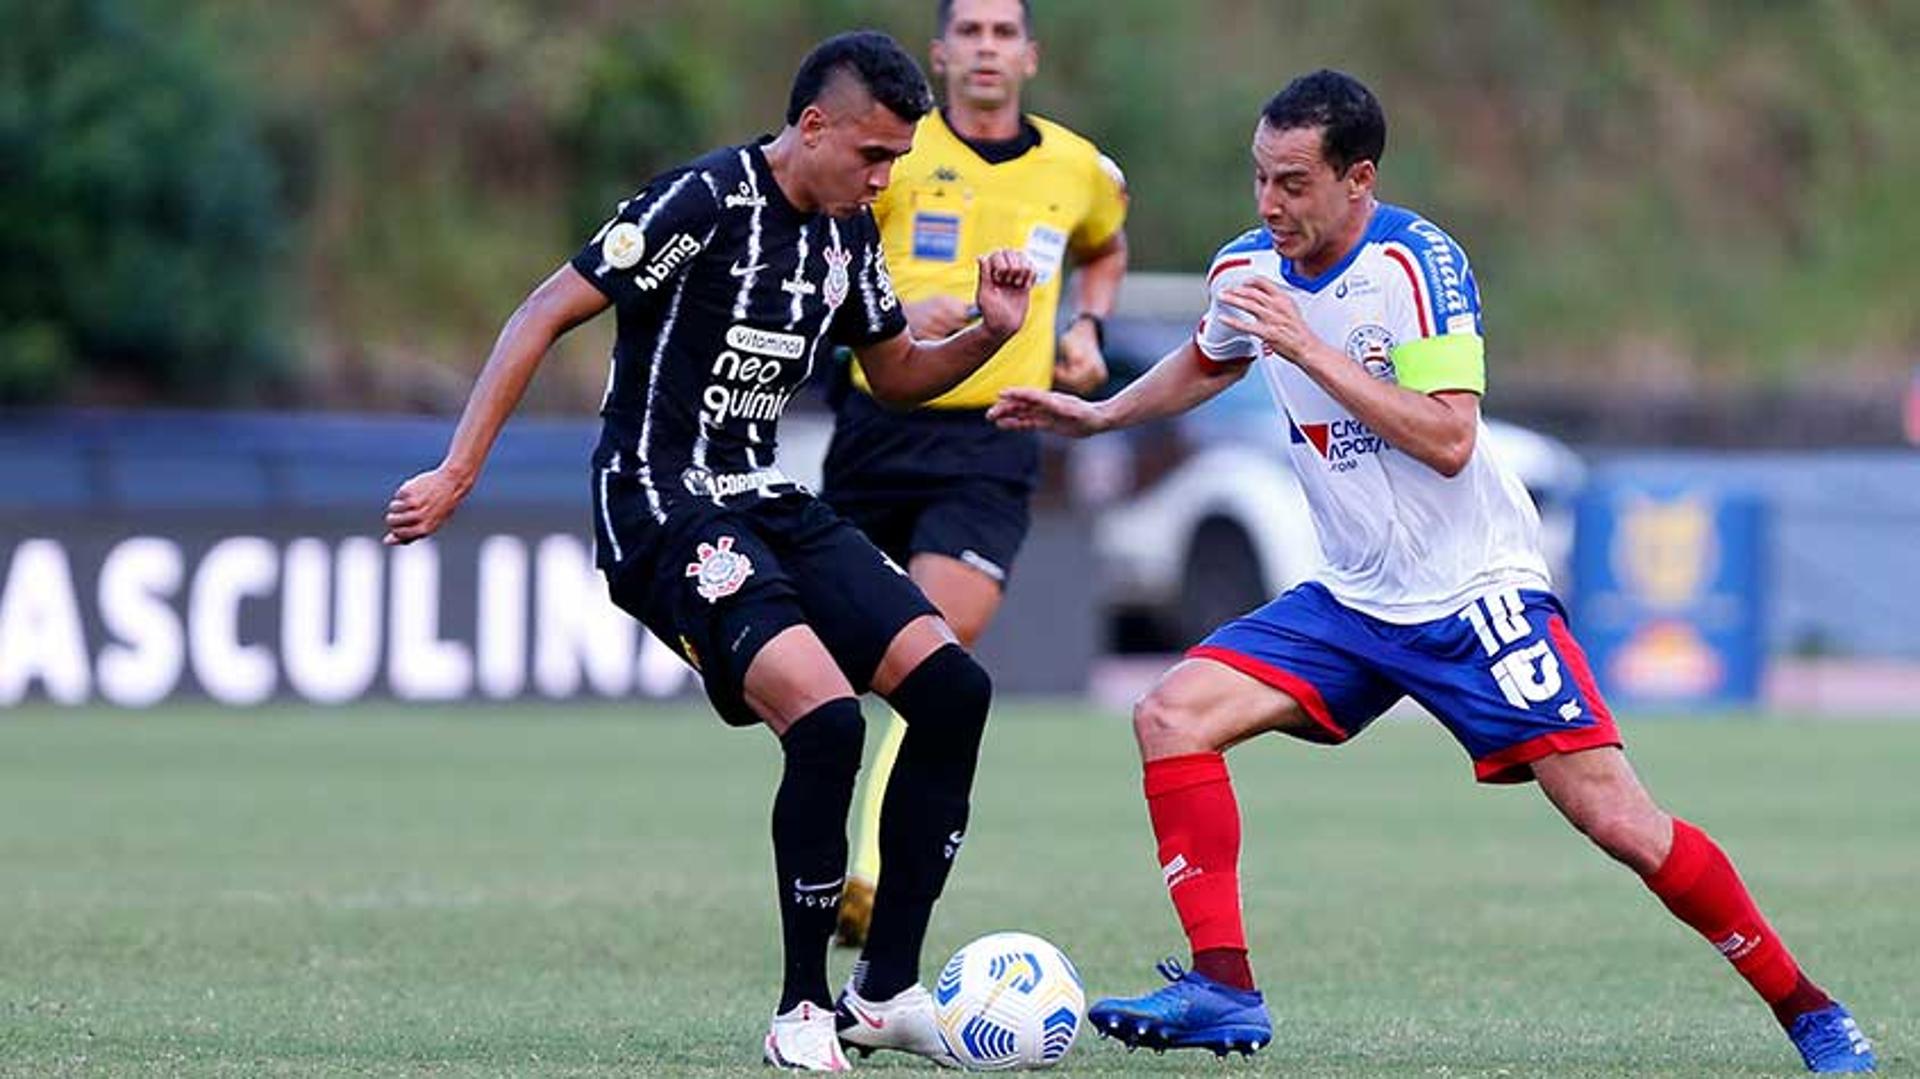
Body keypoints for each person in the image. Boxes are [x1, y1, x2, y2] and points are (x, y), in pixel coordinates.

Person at [988, 69, 1877, 1073]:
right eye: (1259, 179)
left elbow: (1450, 438)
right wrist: (1101, 412)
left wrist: (1311, 349)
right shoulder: (1247, 267)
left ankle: (1812, 1010)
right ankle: (1224, 985)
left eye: (1292, 182)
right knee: (1170, 715)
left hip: (1475, 596)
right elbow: (1211, 356)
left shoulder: (1418, 263)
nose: (1268, 203)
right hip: (1354, 597)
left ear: (1357, 179)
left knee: (1619, 820)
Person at [383, 31, 1037, 1072]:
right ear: (812, 124)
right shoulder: (700, 202)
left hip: (766, 497)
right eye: (871, 154)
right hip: (660, 505)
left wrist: (990, 334)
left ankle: (884, 991)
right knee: (825, 722)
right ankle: (800, 1011)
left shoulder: (847, 228)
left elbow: (898, 370)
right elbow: (544, 310)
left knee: (955, 692)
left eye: (895, 162)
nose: (883, 178)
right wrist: (459, 469)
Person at [821, 0, 1129, 948]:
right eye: (973, 32)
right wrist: (909, 305)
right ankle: (825, 845)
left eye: (1006, 33)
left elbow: (1106, 245)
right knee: (817, 667)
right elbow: (828, 248)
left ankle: (866, 876)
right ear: (942, 52)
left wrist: (1086, 328)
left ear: (1030, 55)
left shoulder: (1076, 168)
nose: (989, 49)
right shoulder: (895, 152)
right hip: (881, 422)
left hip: (995, 441)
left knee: (936, 655)